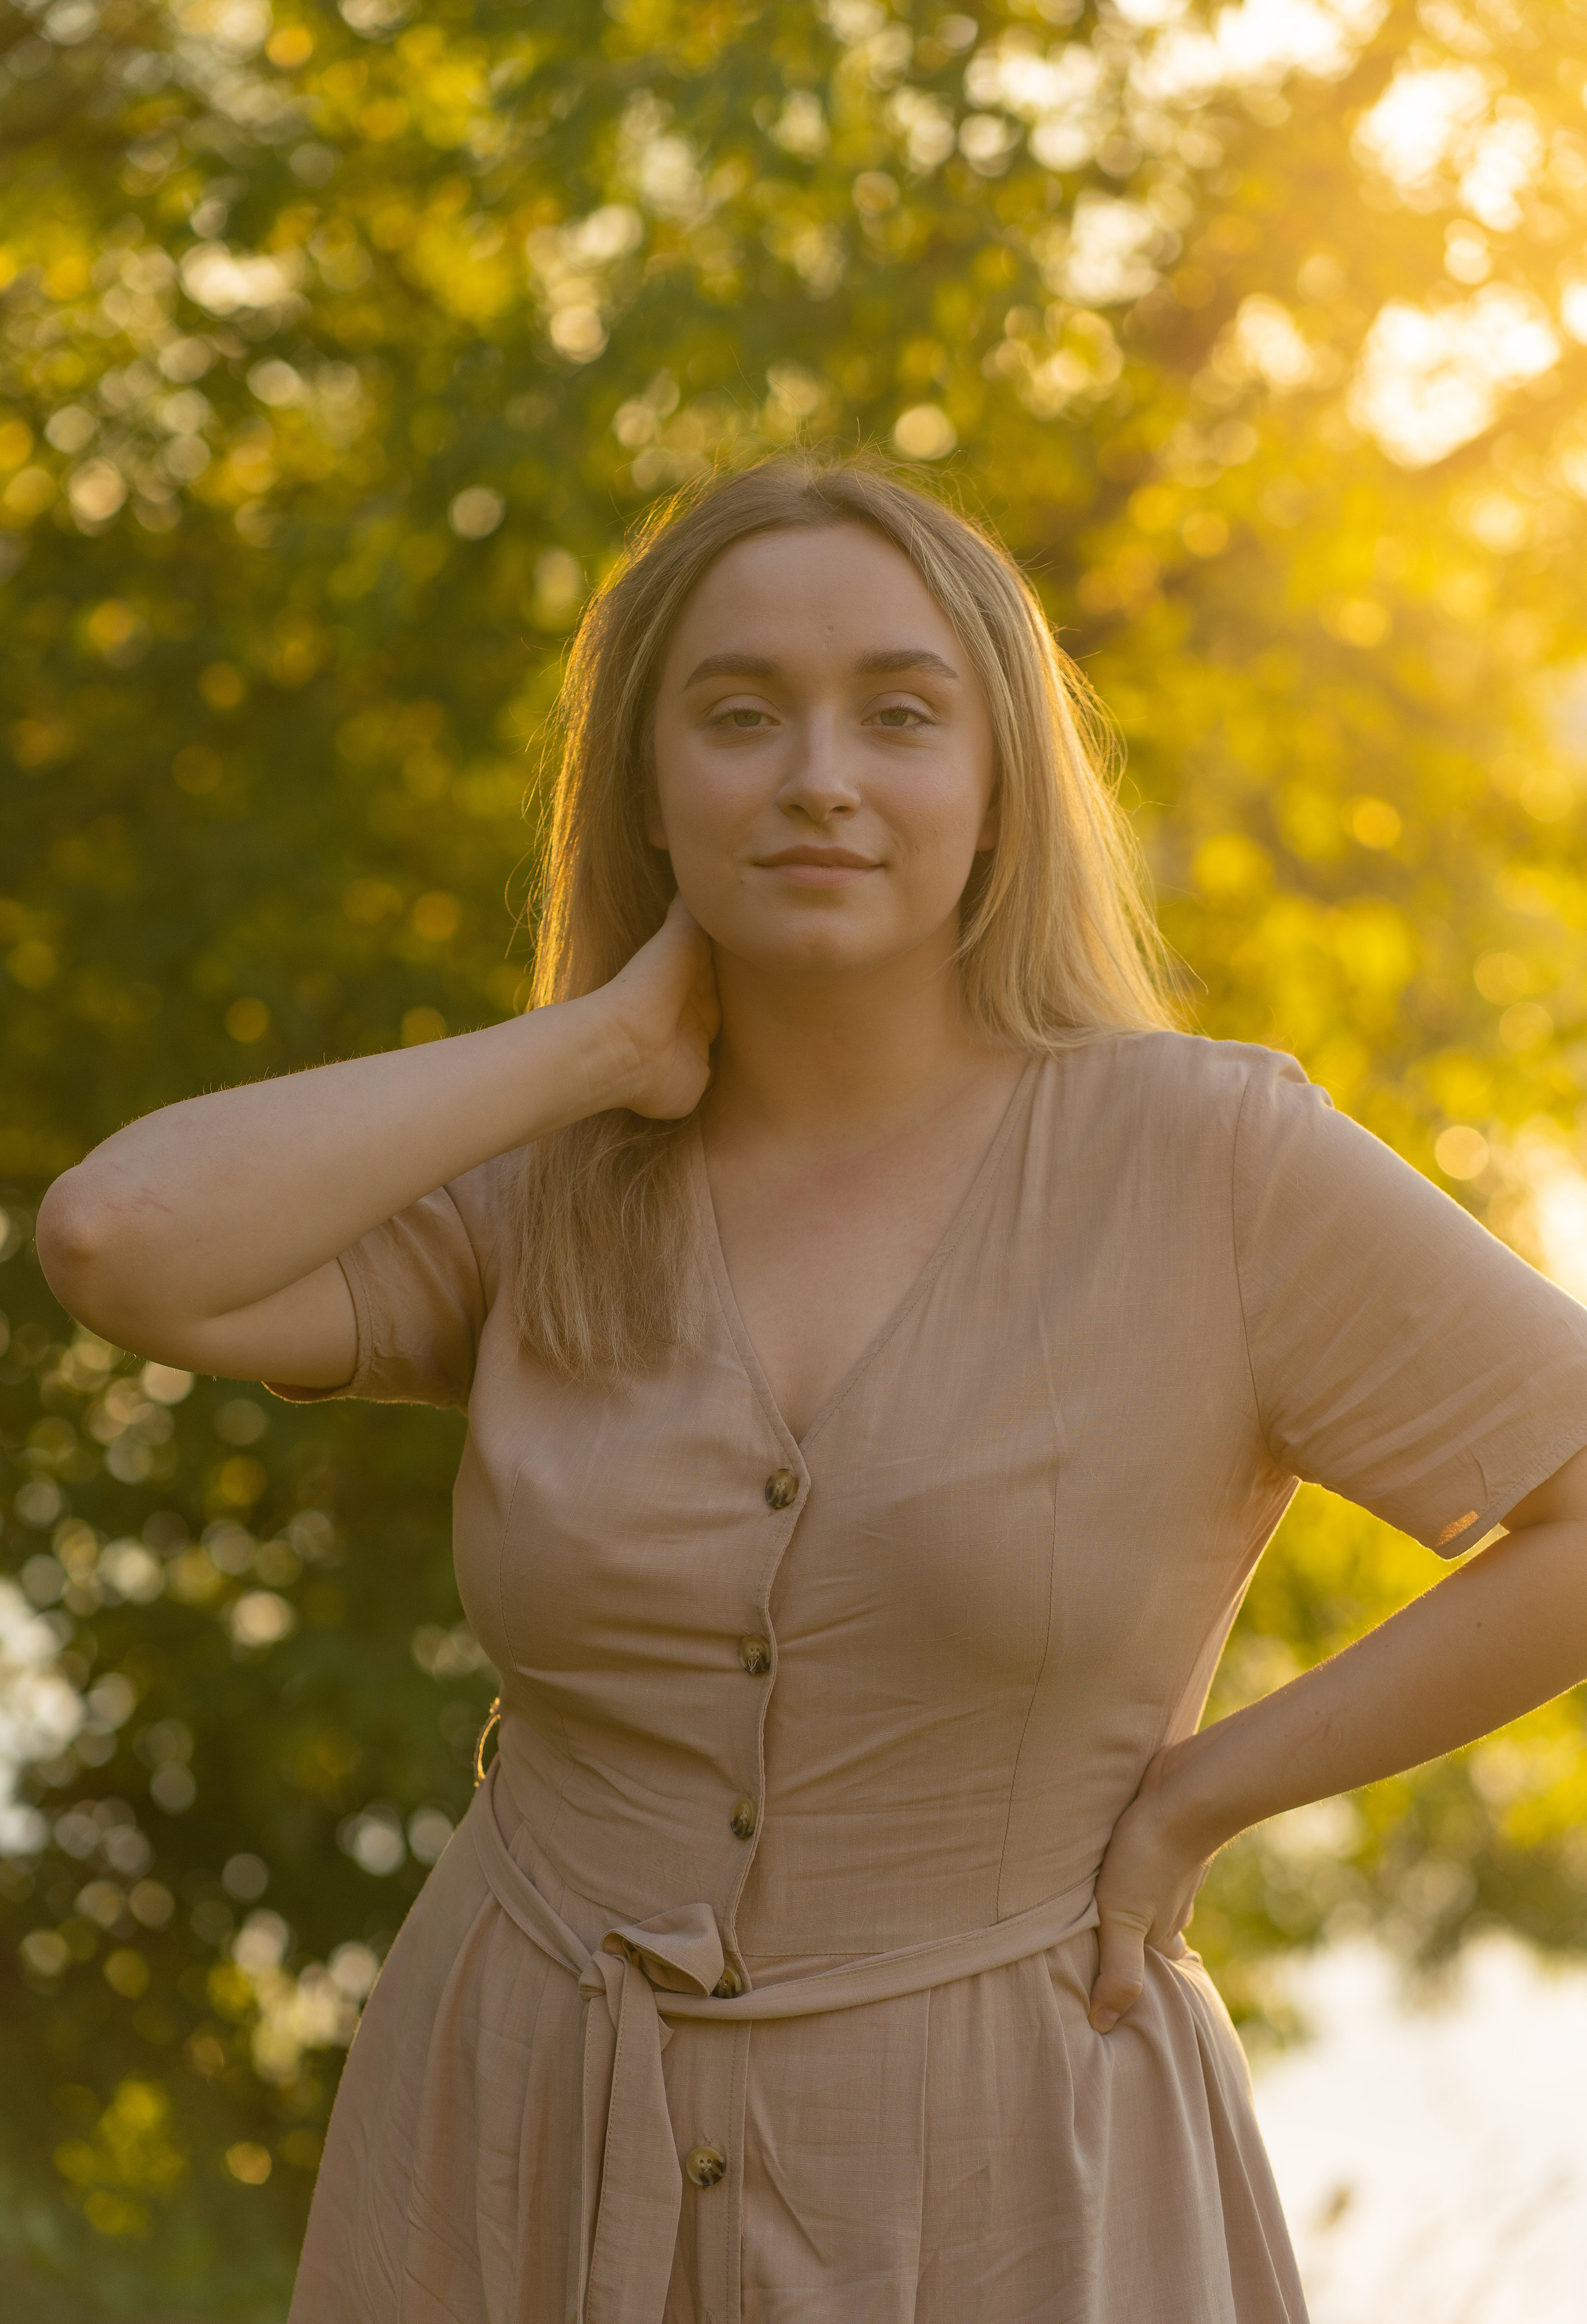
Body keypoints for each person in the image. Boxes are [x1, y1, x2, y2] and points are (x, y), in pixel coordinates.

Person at [36, 453, 1587, 2324]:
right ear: (650, 783)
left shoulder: (1206, 1164)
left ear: (1001, 784)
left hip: (1009, 2173)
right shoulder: (556, 1189)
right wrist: (599, 1040)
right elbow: (121, 1241)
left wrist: (1203, 1800)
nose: (821, 776)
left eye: (903, 714)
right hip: (513, 2126)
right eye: (741, 715)